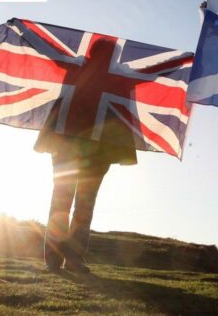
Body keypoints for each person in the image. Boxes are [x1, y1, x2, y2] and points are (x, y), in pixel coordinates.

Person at [35, 39, 137, 273]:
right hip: (89, 150)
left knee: (65, 202)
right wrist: (181, 61)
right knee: (82, 205)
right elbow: (153, 74)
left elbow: (48, 52)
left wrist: (23, 31)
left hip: (72, 147)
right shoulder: (116, 76)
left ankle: (59, 259)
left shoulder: (81, 68)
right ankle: (69, 259)